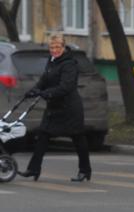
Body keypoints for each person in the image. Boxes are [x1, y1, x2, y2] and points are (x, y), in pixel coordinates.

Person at [18, 33, 91, 182]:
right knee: (42, 136)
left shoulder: (69, 64)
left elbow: (66, 87)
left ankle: (85, 170)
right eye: (52, 47)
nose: (55, 50)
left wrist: (45, 93)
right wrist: (33, 91)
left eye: (58, 46)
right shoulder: (52, 61)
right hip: (54, 108)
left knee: (78, 139)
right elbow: (44, 80)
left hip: (70, 109)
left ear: (63, 47)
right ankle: (33, 169)